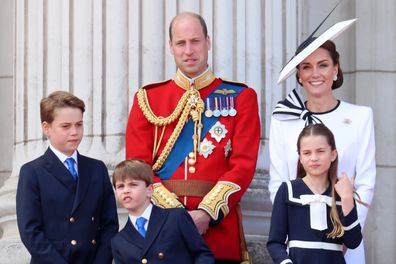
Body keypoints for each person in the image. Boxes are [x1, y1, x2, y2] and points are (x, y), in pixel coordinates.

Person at [125, 12, 260, 263]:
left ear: (208, 42)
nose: (189, 50)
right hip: (163, 231)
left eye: (195, 41)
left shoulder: (241, 97)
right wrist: (177, 218)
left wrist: (206, 213)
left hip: (218, 231)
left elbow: (242, 165)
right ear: (171, 47)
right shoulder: (147, 100)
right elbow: (137, 168)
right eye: (181, 43)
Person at [268, 18, 375, 264]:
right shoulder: (283, 119)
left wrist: (348, 232)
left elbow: (366, 183)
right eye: (306, 67)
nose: (315, 74)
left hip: (345, 245)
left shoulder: (360, 117)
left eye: (323, 65)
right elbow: (278, 183)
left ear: (336, 69)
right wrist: (295, 231)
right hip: (299, 247)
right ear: (299, 74)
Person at [16, 91, 119, 264]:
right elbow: (31, 232)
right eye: (66, 126)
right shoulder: (32, 172)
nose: (74, 132)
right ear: (46, 128)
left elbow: (110, 225)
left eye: (79, 125)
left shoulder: (97, 169)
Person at [267, 124, 362, 264]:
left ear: (333, 154)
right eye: (307, 153)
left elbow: (353, 242)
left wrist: (347, 198)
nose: (314, 158)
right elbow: (275, 243)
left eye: (320, 151)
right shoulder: (287, 190)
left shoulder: (342, 192)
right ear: (300, 157)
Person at [111, 159, 214, 264]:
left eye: (133, 184)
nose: (126, 190)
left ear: (150, 190)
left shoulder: (176, 217)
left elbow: (202, 255)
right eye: (120, 186)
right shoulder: (119, 241)